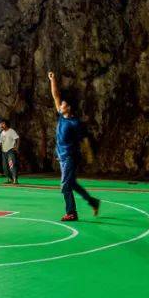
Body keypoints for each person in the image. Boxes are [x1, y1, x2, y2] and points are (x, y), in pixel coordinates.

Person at [48, 72, 100, 221]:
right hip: (62, 156)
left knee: (65, 186)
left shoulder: (75, 123)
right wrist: (53, 79)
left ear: (69, 108)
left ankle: (71, 212)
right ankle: (93, 202)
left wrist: (89, 156)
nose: (61, 105)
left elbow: (84, 140)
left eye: (63, 104)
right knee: (72, 184)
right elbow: (56, 95)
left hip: (70, 157)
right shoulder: (61, 116)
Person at [0, 119, 21, 184]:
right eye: (1, 124)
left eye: (3, 124)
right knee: (5, 167)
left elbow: (17, 138)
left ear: (6, 124)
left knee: (11, 165)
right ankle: (10, 179)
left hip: (10, 151)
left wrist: (17, 147)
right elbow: (1, 142)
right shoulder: (2, 133)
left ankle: (15, 179)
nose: (2, 125)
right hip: (3, 152)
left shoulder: (11, 131)